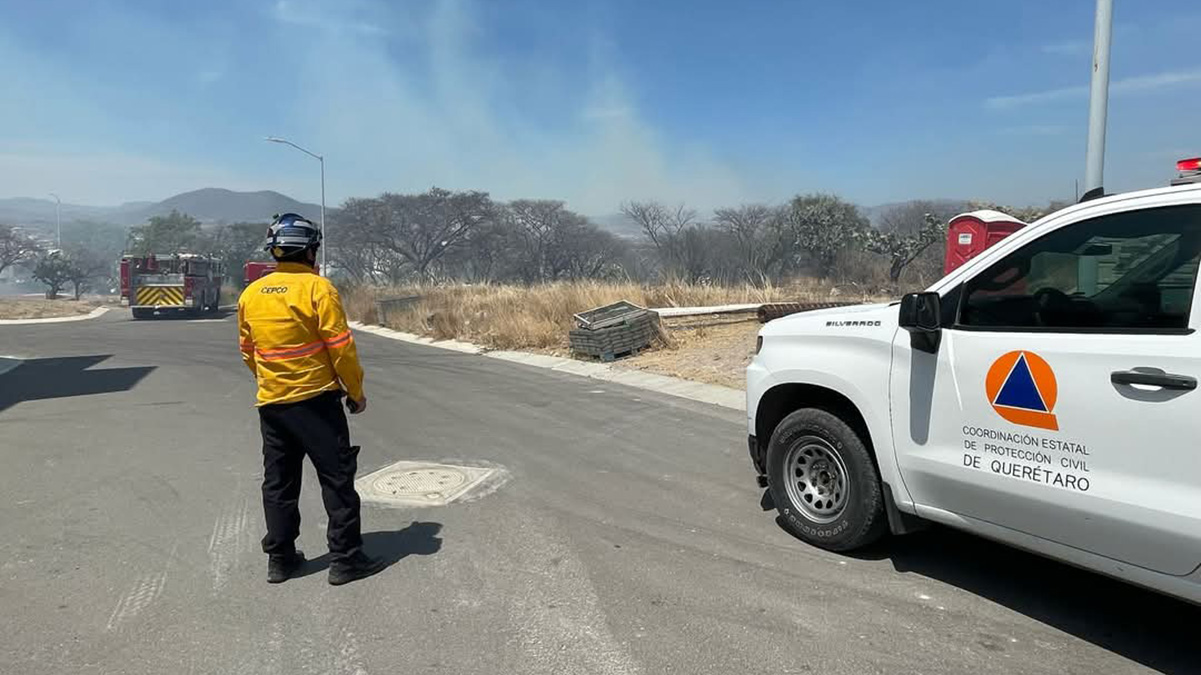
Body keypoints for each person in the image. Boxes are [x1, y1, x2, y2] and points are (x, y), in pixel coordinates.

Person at [237, 213, 385, 586]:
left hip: (271, 405)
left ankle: (281, 559)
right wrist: (356, 392)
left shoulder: (251, 293)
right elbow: (341, 348)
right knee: (337, 480)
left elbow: (247, 350)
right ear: (309, 250)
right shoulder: (318, 289)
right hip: (316, 402)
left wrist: (271, 381)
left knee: (279, 483)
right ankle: (346, 560)